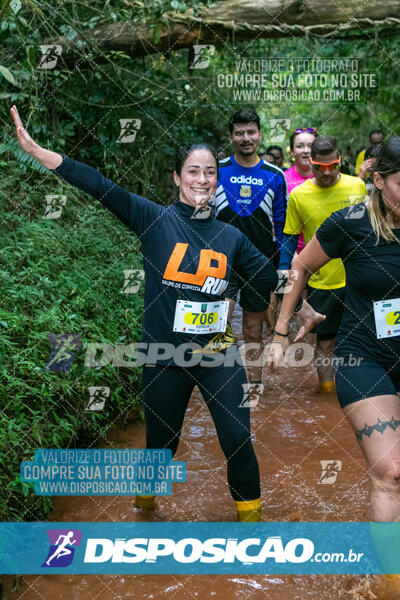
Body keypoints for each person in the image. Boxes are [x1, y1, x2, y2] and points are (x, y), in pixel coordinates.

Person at [10, 105, 283, 523]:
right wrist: (37, 150)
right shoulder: (153, 219)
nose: (203, 180)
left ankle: (253, 532)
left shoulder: (232, 237)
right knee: (162, 445)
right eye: (193, 171)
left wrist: (295, 294)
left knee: (237, 438)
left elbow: (268, 279)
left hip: (218, 356)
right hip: (163, 357)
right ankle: (145, 508)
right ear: (177, 178)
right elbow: (100, 186)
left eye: (210, 172)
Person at [268, 137, 400, 530]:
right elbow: (300, 264)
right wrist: (279, 332)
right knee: (392, 473)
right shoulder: (351, 223)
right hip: (366, 358)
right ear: (378, 180)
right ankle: (389, 583)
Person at [279, 135, 367, 391]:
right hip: (322, 282)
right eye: (320, 167)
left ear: (340, 161)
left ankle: (362, 390)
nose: (327, 173)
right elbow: (289, 238)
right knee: (325, 344)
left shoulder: (357, 187)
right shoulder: (299, 195)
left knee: (362, 339)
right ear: (311, 162)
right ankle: (327, 391)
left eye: (333, 166)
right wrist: (284, 273)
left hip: (357, 279)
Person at [215, 108, 288, 396]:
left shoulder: (275, 175)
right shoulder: (217, 169)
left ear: (259, 134)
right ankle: (220, 382)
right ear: (231, 136)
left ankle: (254, 384)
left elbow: (282, 227)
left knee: (253, 330)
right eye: (239, 132)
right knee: (218, 324)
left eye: (251, 132)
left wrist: (282, 266)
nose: (246, 138)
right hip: (222, 261)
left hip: (260, 263)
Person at [284, 127, 317, 254]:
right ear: (292, 151)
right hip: (294, 251)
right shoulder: (283, 180)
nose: (306, 151)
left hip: (327, 250)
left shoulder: (329, 176)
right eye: (300, 146)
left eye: (311, 146)